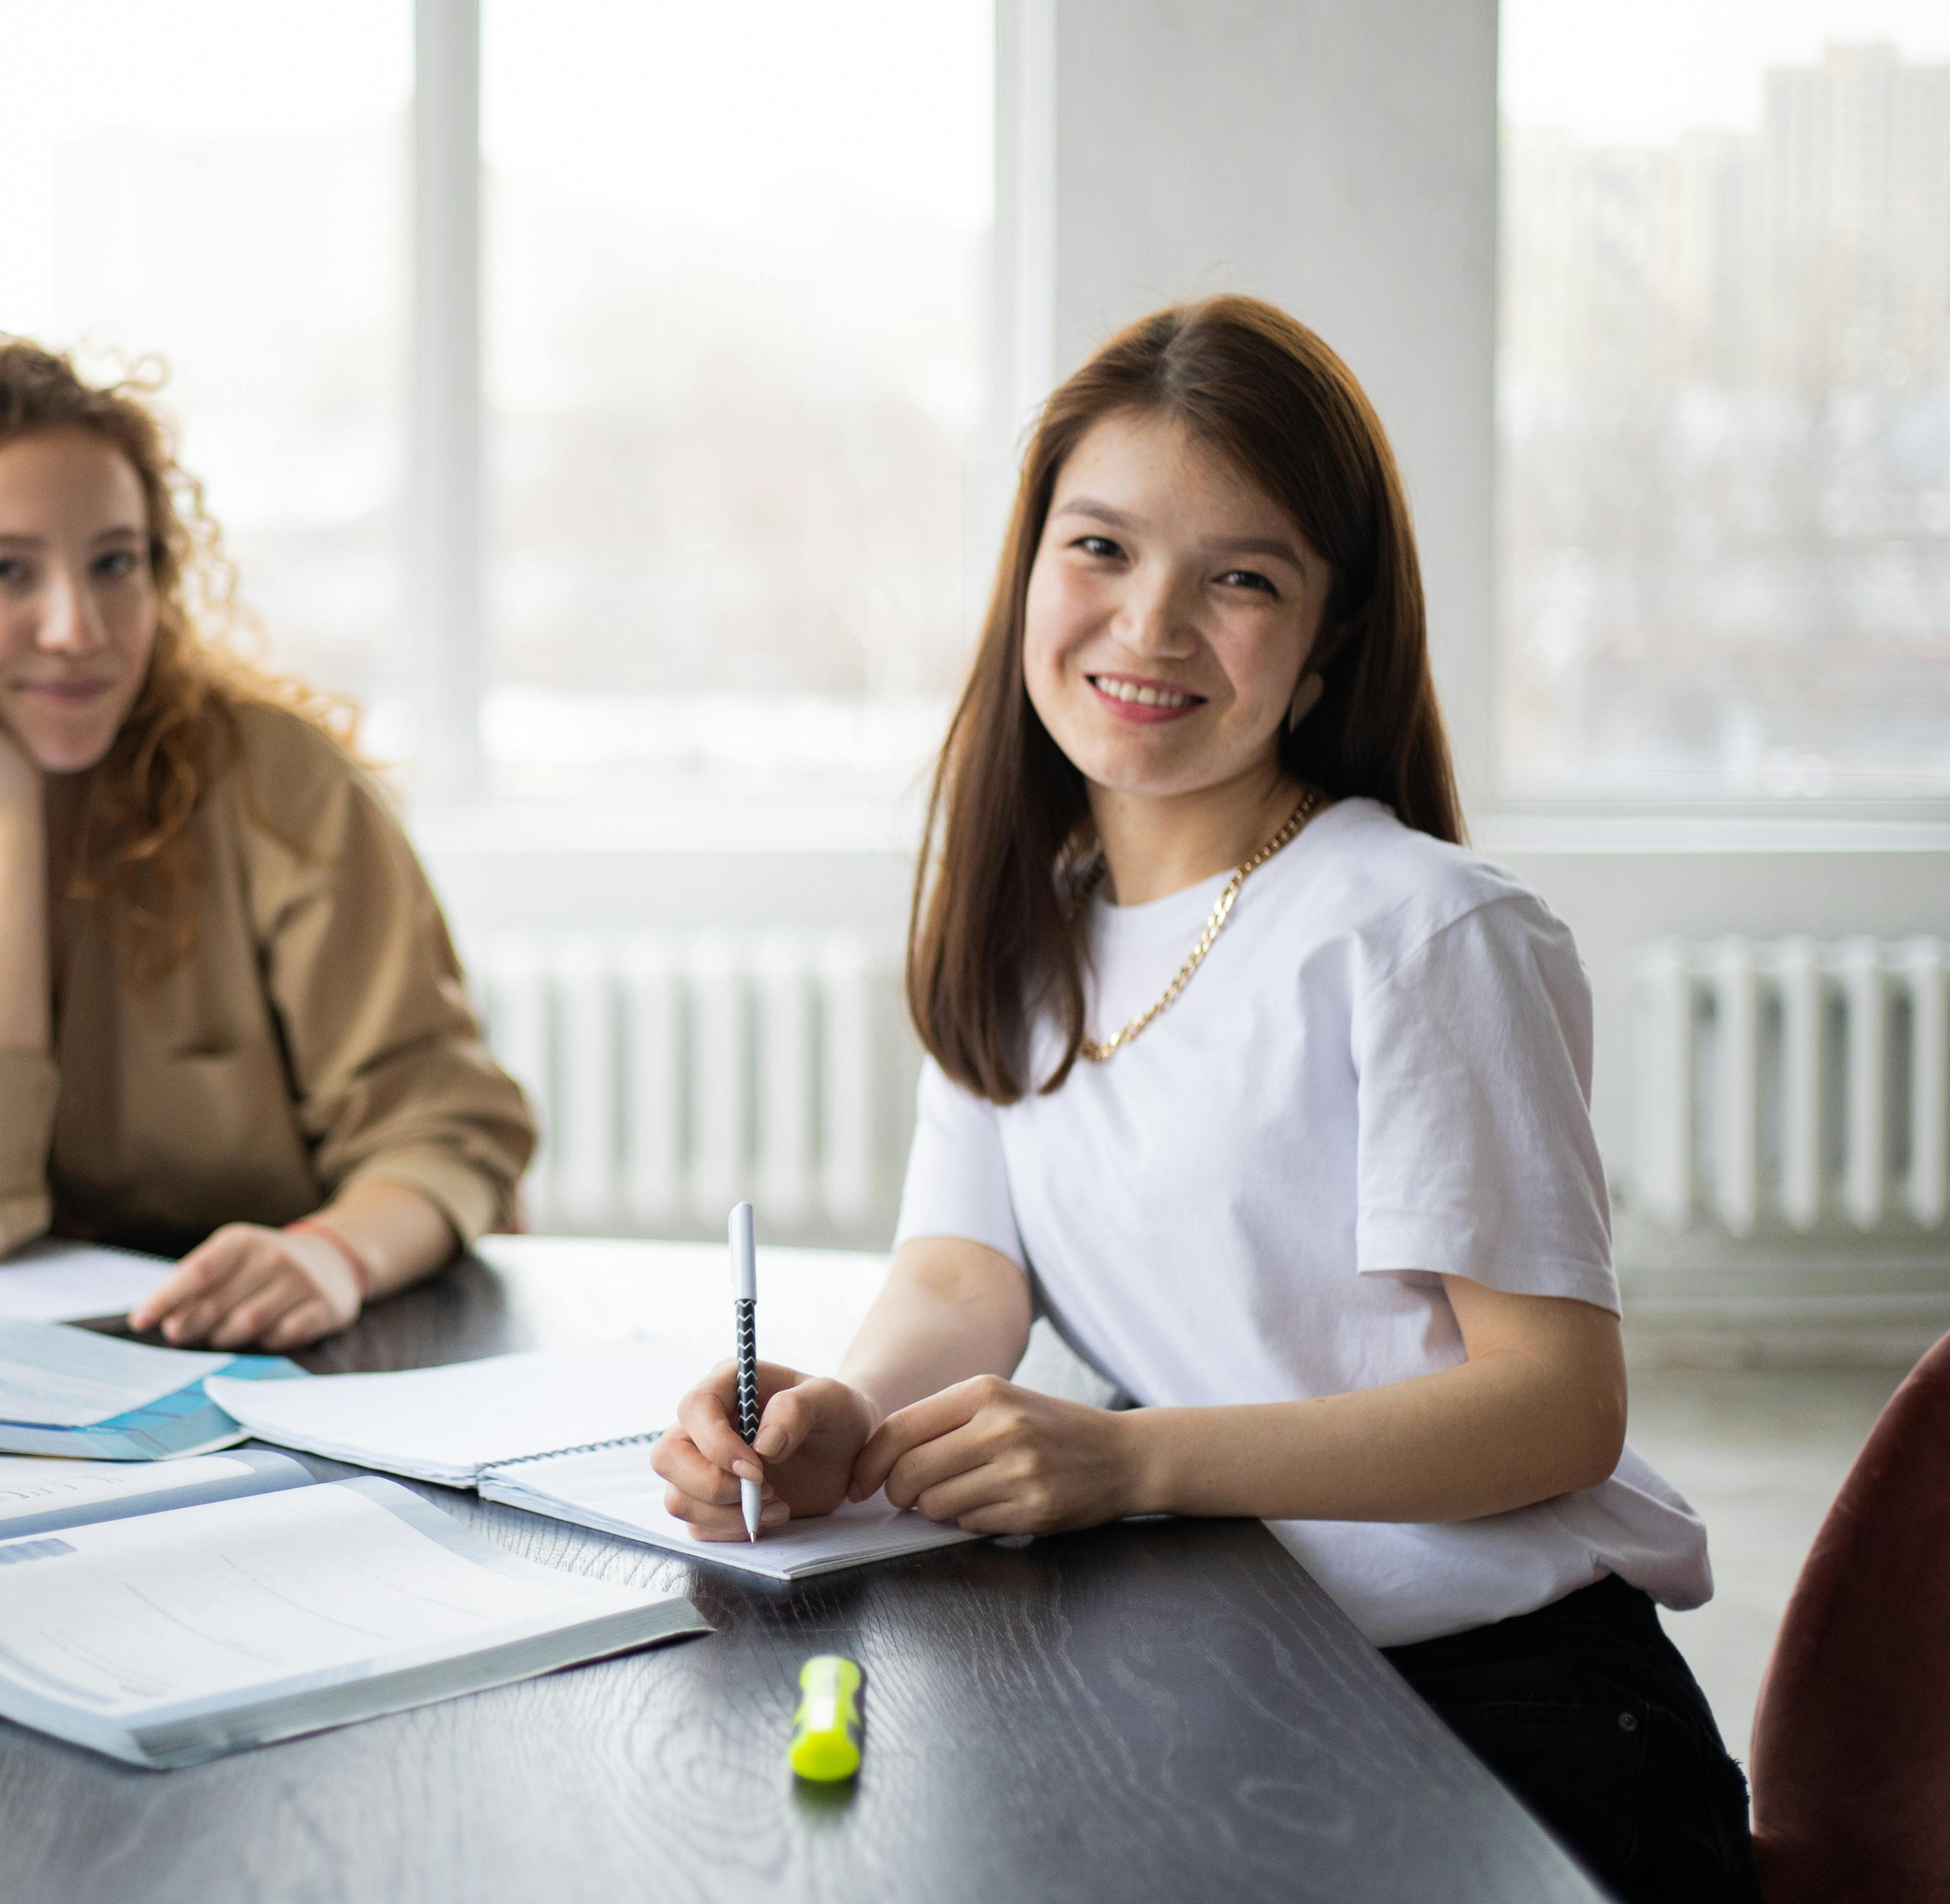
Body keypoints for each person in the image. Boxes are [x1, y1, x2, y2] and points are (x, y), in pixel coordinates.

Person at [651, 298, 1754, 1901]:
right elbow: (966, 1270)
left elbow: (1561, 1405)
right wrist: (843, 1429)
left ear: (1328, 647)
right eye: (1100, 549)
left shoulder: (1421, 928)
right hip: (1235, 1664)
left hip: (1511, 1715)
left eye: (1242, 578)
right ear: (1029, 567)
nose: (1150, 627)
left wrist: (1136, 1460)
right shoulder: (1028, 914)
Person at [0, 336, 534, 1351]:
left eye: (115, 563)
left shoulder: (279, 785)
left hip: (295, 1359)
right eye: (7, 571)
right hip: (12, 1387)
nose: (79, 627)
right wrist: (3, 818)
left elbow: (447, 1131)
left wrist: (329, 1255)